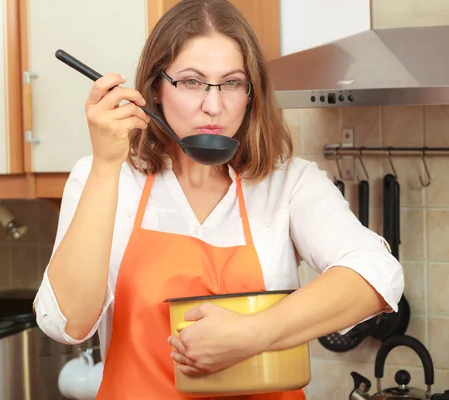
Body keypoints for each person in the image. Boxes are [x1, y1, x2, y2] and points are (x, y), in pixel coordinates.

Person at [33, 0, 404, 398]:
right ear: (155, 89)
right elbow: (66, 323)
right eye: (191, 82)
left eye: (231, 82)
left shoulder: (287, 182)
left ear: (250, 94)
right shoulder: (103, 177)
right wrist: (107, 166)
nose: (214, 105)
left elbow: (378, 273)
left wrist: (253, 334)